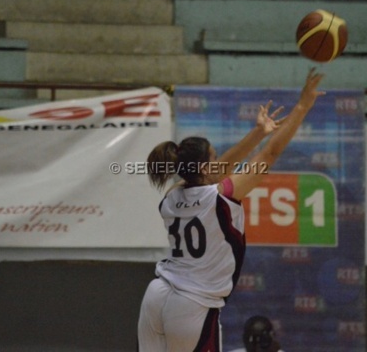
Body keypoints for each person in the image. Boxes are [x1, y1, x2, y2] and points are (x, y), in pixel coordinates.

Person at [137, 68, 325, 352]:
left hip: (156, 295)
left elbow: (219, 168)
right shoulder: (221, 197)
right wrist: (302, 106)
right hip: (192, 305)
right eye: (213, 156)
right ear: (203, 167)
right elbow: (270, 154)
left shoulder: (172, 194)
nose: (220, 162)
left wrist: (258, 131)